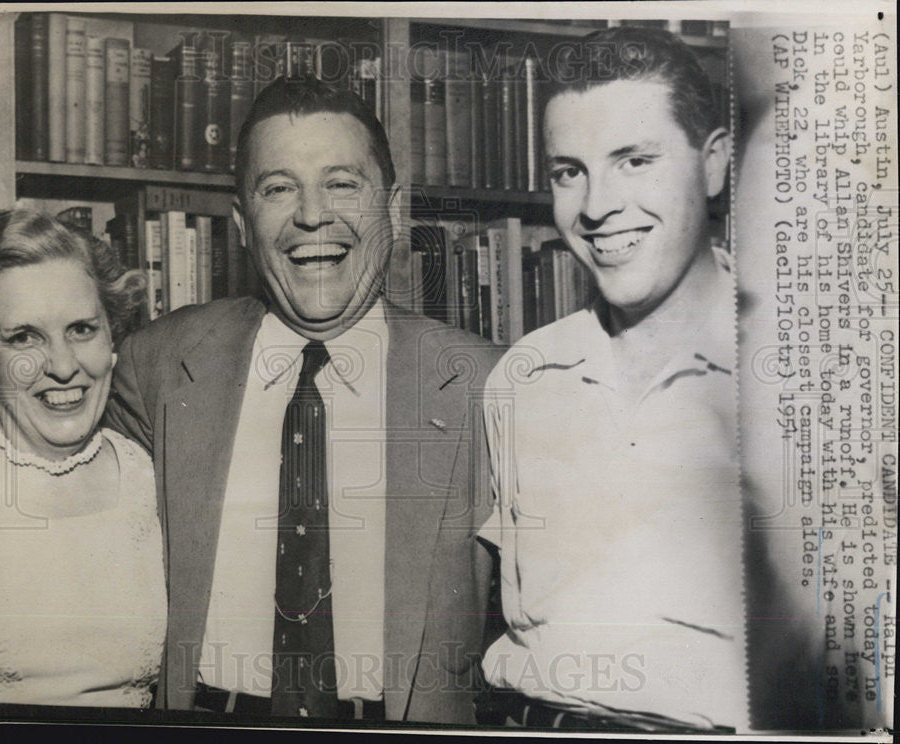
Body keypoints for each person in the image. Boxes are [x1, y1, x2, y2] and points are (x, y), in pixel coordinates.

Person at [104, 76, 501, 724]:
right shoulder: (158, 366)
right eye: (278, 187)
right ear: (240, 223)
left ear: (392, 209)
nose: (313, 215)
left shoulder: (485, 386)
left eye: (342, 183)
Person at [477, 27, 748, 732]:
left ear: (714, 164)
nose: (596, 208)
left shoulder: (811, 380)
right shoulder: (525, 377)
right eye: (570, 171)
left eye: (634, 160)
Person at [0, 211, 167, 707]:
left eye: (81, 329)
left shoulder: (147, 474)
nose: (61, 366)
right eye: (24, 337)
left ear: (112, 340)